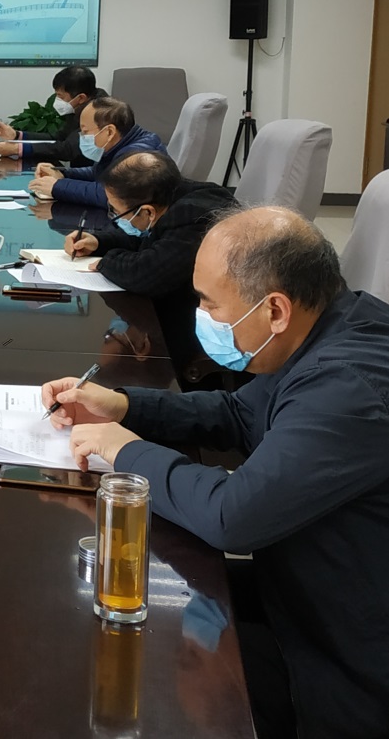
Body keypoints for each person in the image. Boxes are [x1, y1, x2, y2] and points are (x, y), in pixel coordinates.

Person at [42, 208, 389, 738]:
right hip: (301, 584)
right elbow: (240, 414)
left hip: (346, 657)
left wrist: (126, 452)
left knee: (144, 673)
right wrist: (123, 405)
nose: (200, 315)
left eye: (208, 302)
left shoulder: (349, 386)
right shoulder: (328, 325)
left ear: (275, 309)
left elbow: (233, 515)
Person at [62, 151, 237, 300]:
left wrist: (106, 263)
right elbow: (144, 238)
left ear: (148, 212)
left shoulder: (193, 218)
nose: (114, 217)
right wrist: (98, 242)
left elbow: (145, 274)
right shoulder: (170, 195)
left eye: (116, 211)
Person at [26, 97, 164, 208]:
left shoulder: (138, 156)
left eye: (85, 132)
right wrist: (63, 174)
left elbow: (112, 195)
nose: (82, 137)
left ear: (109, 132)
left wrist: (57, 187)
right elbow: (99, 173)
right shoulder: (121, 144)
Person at [0, 65, 105, 163]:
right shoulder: (80, 107)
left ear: (81, 98)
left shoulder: (98, 114)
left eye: (61, 96)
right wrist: (16, 135)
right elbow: (59, 138)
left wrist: (17, 149)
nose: (57, 100)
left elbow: (68, 150)